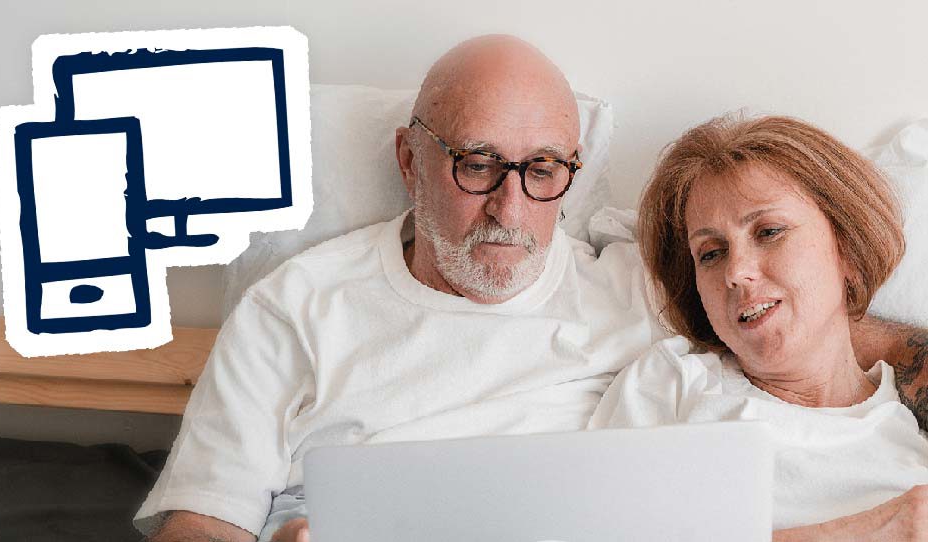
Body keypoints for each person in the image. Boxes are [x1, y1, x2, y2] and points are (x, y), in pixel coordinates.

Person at [138, 37, 928, 542]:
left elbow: (785, 323)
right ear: (410, 162)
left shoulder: (638, 285)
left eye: (543, 169)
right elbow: (202, 518)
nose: (510, 209)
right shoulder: (294, 307)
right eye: (476, 164)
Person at [590, 114, 928, 539]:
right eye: (710, 253)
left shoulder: (909, 428)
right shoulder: (672, 386)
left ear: (848, 250)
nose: (736, 272)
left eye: (768, 232)